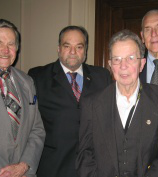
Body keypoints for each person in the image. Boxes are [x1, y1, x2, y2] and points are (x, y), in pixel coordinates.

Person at [76, 29, 158, 177]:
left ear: (142, 64)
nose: (123, 66)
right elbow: (84, 155)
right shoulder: (91, 103)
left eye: (130, 58)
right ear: (110, 64)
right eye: (117, 59)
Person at [28, 26, 111, 177]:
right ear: (58, 48)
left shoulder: (102, 77)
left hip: (93, 168)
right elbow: (29, 125)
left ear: (85, 50)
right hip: (53, 167)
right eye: (67, 46)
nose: (73, 52)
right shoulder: (37, 77)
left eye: (79, 46)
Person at [0, 19, 45, 177]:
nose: (5, 50)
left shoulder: (27, 81)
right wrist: (5, 172)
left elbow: (37, 129)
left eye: (11, 44)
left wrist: (23, 165)